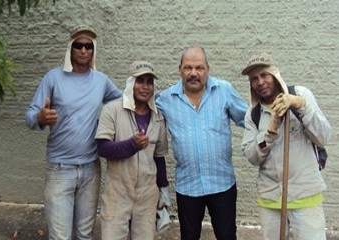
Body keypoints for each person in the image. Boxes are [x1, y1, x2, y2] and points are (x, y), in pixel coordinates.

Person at [25, 25, 122, 240]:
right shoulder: (53, 78)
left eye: (89, 46)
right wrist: (40, 117)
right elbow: (30, 115)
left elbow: (126, 101)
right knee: (60, 236)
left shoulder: (101, 81)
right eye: (79, 45)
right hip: (60, 170)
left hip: (91, 169)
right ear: (71, 48)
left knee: (85, 235)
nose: (84, 50)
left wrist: (158, 96)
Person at [156, 46, 248, 240]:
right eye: (188, 68)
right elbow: (138, 106)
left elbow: (249, 119)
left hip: (222, 183)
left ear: (208, 69)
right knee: (189, 237)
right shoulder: (166, 99)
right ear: (180, 69)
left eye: (199, 68)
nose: (193, 73)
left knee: (227, 236)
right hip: (188, 186)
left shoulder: (224, 91)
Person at [241, 52, 331, 240]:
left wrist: (301, 106)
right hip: (270, 199)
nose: (260, 82)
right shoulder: (253, 114)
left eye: (264, 75)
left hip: (305, 197)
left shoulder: (300, 94)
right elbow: (252, 156)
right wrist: (270, 131)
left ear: (274, 74)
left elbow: (323, 136)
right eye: (254, 78)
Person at [95, 60, 170, 240]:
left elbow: (159, 157)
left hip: (147, 193)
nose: (145, 87)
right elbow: (102, 148)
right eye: (140, 81)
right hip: (117, 192)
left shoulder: (158, 117)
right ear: (131, 83)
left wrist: (164, 189)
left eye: (149, 82)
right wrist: (132, 145)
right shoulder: (112, 110)